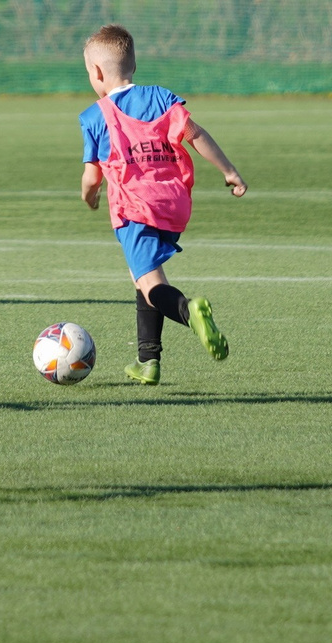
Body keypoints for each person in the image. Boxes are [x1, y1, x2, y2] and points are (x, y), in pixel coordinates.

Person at [78, 24, 246, 385]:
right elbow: (195, 134)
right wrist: (229, 171)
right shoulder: (161, 98)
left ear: (95, 72)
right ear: (133, 65)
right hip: (174, 202)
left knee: (151, 284)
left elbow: (92, 177)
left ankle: (189, 311)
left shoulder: (95, 116)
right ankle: (147, 361)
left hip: (134, 209)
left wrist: (88, 197)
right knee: (143, 276)